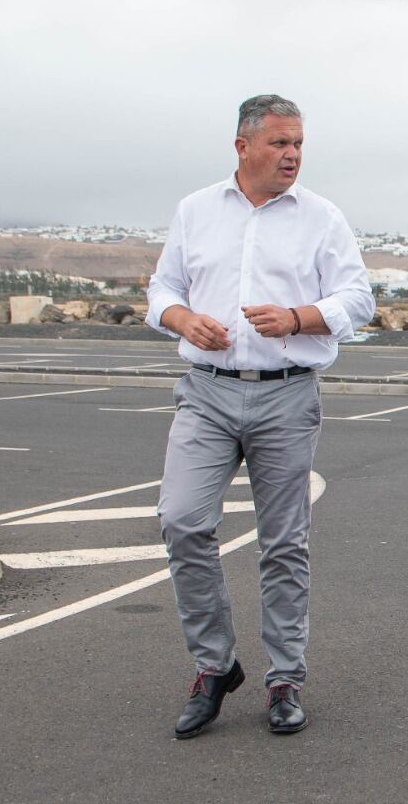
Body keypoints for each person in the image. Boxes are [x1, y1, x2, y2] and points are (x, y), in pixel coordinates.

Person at [147, 94, 374, 739]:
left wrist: (299, 318)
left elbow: (358, 296)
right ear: (242, 146)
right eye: (279, 143)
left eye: (298, 144)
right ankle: (215, 667)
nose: (292, 155)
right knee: (182, 521)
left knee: (284, 543)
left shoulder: (322, 218)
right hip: (207, 390)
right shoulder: (196, 211)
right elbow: (161, 290)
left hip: (286, 393)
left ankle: (284, 678)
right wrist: (182, 318)